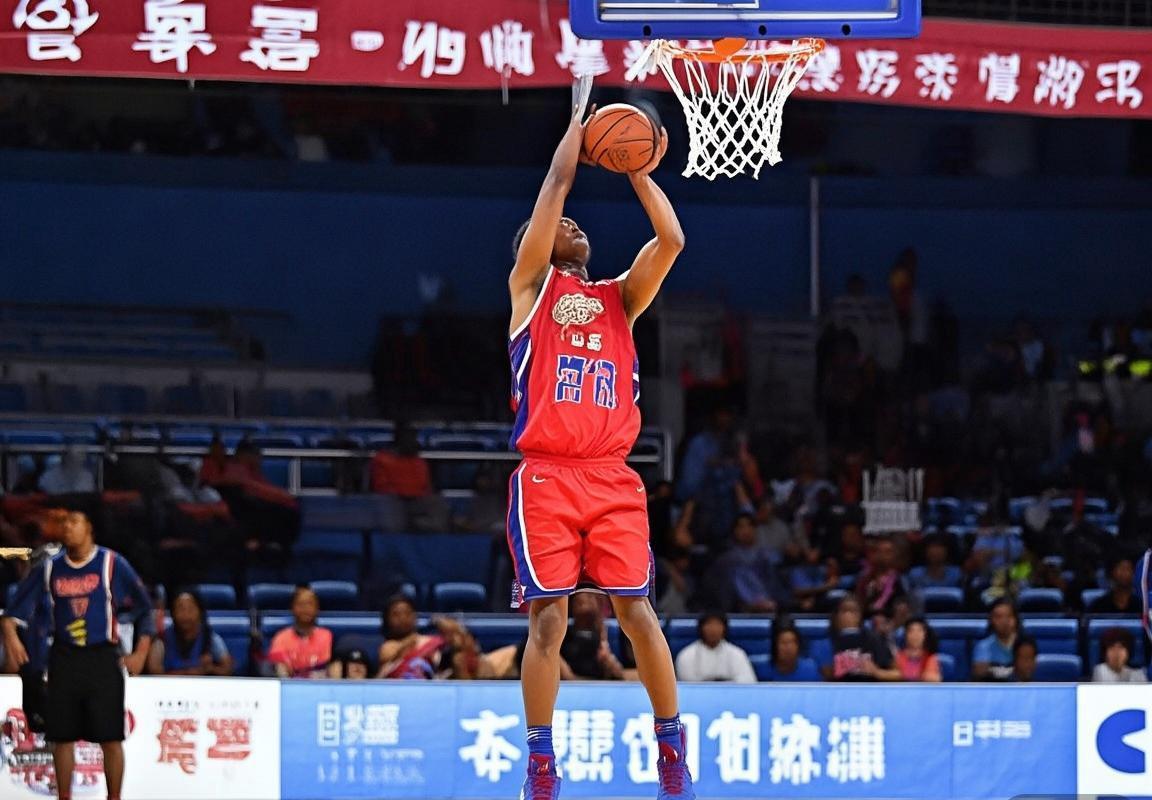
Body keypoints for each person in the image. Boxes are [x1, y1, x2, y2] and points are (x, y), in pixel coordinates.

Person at [505, 94, 692, 800]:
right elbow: (557, 184)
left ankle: (671, 752)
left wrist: (638, 171)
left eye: (577, 223)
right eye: (561, 225)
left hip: (612, 476)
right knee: (548, 620)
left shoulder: (621, 298)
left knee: (638, 612)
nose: (573, 224)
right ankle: (541, 763)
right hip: (547, 476)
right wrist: (575, 134)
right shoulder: (532, 288)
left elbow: (671, 241)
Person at [0, 509, 154, 800]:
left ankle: (114, 796)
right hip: (64, 656)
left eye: (74, 522)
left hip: (103, 655)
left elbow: (145, 608)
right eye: (64, 523)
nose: (67, 527)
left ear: (89, 528)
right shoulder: (50, 567)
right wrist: (11, 637)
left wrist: (140, 653)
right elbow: (12, 612)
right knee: (62, 737)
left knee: (111, 737)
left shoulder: (111, 563)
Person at [147, 590, 233, 676]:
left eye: (190, 609)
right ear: (173, 613)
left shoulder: (210, 638)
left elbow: (228, 669)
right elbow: (154, 671)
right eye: (180, 609)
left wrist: (211, 669)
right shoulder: (162, 638)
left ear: (200, 612)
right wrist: (188, 673)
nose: (186, 615)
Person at [821, 595, 897, 681]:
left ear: (860, 616)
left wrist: (877, 672)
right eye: (845, 611)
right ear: (836, 616)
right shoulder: (826, 642)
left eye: (853, 611)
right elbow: (825, 675)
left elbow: (898, 671)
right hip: (839, 687)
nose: (848, 615)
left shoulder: (874, 639)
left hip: (869, 686)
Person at [266, 586, 332, 679]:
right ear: (292, 608)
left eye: (310, 604)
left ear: (317, 608)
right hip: (289, 684)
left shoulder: (326, 635)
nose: (305, 609)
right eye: (301, 604)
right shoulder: (281, 637)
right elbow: (278, 666)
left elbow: (324, 666)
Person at [673, 612, 756, 684]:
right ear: (701, 628)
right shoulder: (686, 655)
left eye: (717, 624)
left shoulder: (737, 654)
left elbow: (748, 682)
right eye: (709, 624)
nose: (713, 629)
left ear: (724, 628)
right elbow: (687, 684)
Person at [378, 595, 444, 679]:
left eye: (407, 613)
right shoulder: (386, 648)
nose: (402, 618)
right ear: (387, 619)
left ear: (415, 616)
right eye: (396, 614)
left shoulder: (431, 641)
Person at [971, 599, 1018, 681]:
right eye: (999, 617)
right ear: (991, 620)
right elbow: (979, 676)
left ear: (1016, 619)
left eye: (1009, 616)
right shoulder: (983, 647)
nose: (1004, 621)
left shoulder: (1025, 646)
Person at [893, 617, 942, 682]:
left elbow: (934, 678)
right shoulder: (898, 656)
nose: (915, 635)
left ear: (925, 635)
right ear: (906, 635)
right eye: (911, 631)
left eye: (919, 631)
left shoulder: (931, 657)